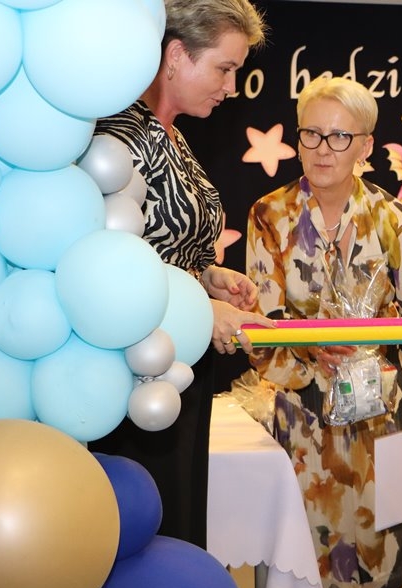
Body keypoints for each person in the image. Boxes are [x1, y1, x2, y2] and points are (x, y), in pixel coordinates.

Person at [244, 76, 402, 588]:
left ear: (365, 145)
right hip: (305, 434)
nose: (322, 148)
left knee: (390, 567)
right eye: (311, 133)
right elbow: (259, 325)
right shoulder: (269, 215)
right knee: (310, 567)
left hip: (386, 426)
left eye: (339, 136)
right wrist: (312, 348)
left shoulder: (394, 220)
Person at [88, 0, 274, 549]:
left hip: (179, 365)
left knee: (179, 519)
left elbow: (161, 246)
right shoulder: (120, 135)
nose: (232, 87)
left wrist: (207, 275)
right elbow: (110, 264)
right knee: (145, 527)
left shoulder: (172, 135)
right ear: (175, 55)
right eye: (224, 68)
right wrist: (203, 307)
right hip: (137, 373)